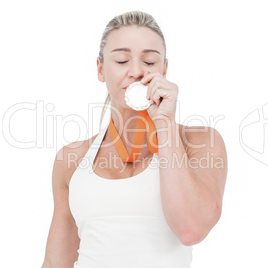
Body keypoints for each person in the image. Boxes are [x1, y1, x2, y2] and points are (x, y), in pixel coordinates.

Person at [42, 11, 227, 268]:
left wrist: (164, 123)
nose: (137, 72)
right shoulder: (71, 158)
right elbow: (55, 262)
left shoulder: (201, 142)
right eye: (121, 61)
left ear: (164, 69)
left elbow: (191, 230)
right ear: (100, 69)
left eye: (150, 62)